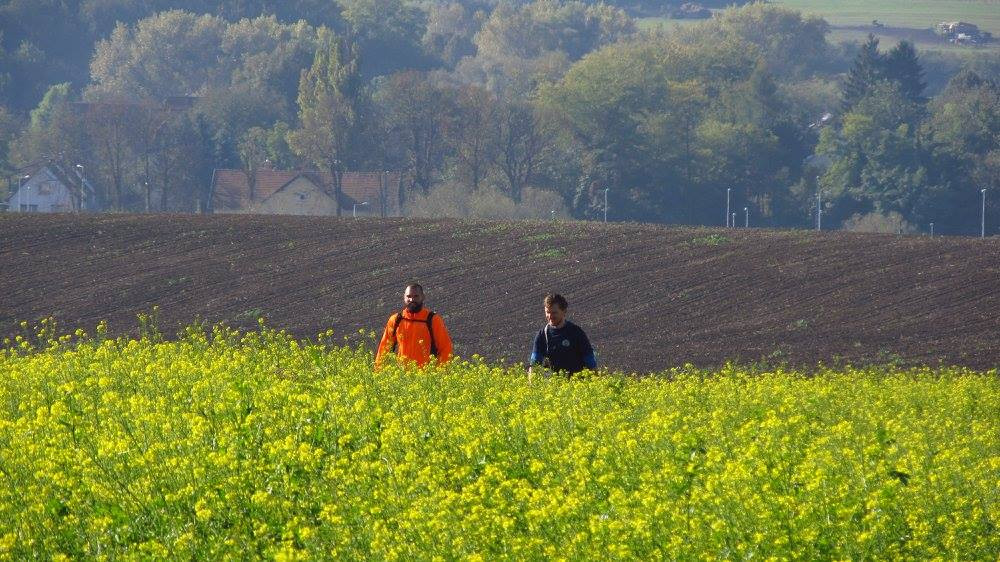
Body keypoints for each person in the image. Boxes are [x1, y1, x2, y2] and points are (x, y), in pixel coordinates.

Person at [376, 283, 453, 368]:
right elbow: (384, 349)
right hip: (402, 376)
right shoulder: (396, 320)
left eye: (416, 296)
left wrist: (440, 373)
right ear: (404, 297)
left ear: (423, 297)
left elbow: (445, 348)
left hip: (426, 377)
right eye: (408, 296)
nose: (412, 299)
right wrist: (378, 372)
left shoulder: (433, 320)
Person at [529, 293, 596, 376]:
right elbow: (534, 365)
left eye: (554, 313)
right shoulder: (542, 335)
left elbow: (590, 362)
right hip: (553, 385)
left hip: (576, 384)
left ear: (564, 311)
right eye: (547, 312)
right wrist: (531, 386)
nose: (550, 316)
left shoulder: (576, 332)